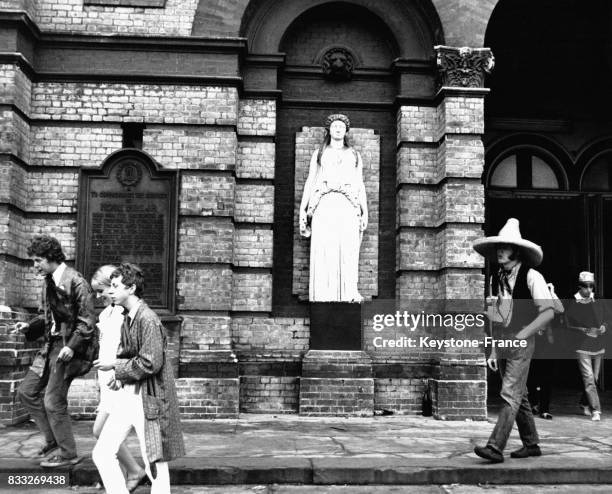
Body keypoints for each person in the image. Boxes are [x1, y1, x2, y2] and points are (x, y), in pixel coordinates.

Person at [92, 263, 184, 494]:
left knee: (154, 462)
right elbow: (131, 355)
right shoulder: (128, 316)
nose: (110, 291)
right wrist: (119, 378)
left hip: (148, 399)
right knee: (102, 453)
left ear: (131, 288)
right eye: (110, 286)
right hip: (129, 397)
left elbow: (151, 362)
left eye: (115, 286)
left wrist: (115, 366)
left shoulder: (147, 319)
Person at [472, 218, 555, 463]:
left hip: (522, 341)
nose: (500, 251)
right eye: (498, 247)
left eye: (505, 247)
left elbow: (549, 312)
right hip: (505, 342)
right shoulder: (496, 279)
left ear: (516, 251)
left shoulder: (532, 276)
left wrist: (523, 333)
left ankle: (495, 447)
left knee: (509, 392)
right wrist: (494, 351)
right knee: (520, 394)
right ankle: (531, 444)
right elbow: (496, 318)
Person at [11, 235, 96, 467]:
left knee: (53, 401)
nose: (35, 265)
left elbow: (87, 321)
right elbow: (49, 317)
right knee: (27, 391)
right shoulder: (48, 280)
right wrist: (30, 326)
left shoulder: (76, 281)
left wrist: (71, 346)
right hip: (50, 345)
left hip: (68, 347)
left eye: (38, 260)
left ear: (52, 259)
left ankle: (68, 453)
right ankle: (52, 441)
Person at [299, 113, 368, 302]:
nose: (338, 129)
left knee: (349, 249)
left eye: (341, 126)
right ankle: (323, 295)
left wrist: (365, 211)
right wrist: (302, 211)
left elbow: (359, 183)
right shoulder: (320, 153)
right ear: (329, 130)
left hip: (348, 205)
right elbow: (310, 181)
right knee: (324, 248)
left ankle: (348, 293)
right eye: (334, 126)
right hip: (325, 203)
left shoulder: (354, 154)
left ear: (346, 131)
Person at [91, 265, 145, 491]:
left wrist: (119, 374)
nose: (98, 295)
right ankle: (130, 473)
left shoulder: (126, 314)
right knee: (101, 435)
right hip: (107, 383)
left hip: (119, 383)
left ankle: (132, 473)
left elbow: (128, 349)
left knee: (100, 433)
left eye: (101, 290)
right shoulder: (106, 313)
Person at [565, 271, 608, 421]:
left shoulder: (598, 299)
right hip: (581, 344)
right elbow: (567, 323)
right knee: (588, 377)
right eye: (586, 287)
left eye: (591, 286)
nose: (589, 290)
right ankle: (596, 410)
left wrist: (604, 326)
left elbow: (606, 317)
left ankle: (584, 403)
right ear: (580, 286)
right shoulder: (573, 301)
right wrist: (582, 329)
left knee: (594, 378)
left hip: (598, 343)